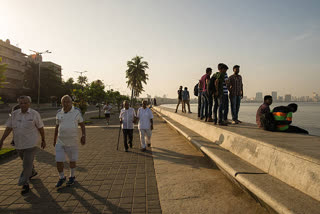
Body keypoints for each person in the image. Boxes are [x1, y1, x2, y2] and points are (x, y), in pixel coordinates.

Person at [0, 96, 46, 195]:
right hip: (19, 144)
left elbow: (41, 128)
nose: (23, 105)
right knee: (27, 164)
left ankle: (24, 183)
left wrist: (43, 139)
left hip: (31, 144)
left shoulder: (34, 114)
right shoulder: (14, 114)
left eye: (25, 103)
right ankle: (32, 172)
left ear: (29, 103)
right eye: (21, 103)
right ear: (18, 104)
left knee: (26, 164)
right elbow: (8, 128)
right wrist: (2, 140)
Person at [54, 95, 86, 188]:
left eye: (68, 101)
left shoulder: (76, 112)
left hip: (72, 141)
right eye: (64, 102)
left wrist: (83, 135)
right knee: (59, 160)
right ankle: (61, 177)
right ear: (61, 103)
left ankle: (72, 176)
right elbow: (57, 126)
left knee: (72, 160)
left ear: (71, 102)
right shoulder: (59, 112)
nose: (66, 103)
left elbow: (82, 125)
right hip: (60, 141)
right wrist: (54, 139)